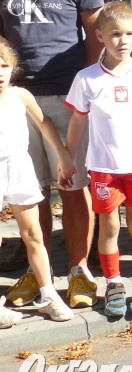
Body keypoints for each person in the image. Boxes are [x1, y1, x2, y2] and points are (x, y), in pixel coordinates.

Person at [0, 0, 103, 309]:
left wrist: (90, 92)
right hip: (18, 99)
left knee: (74, 185)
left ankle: (79, 270)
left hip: (68, 94)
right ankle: (36, 271)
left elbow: (96, 37)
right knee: (30, 191)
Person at [65, 1, 132, 317]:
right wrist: (68, 158)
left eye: (127, 34)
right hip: (103, 169)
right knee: (109, 226)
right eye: (114, 35)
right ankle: (112, 282)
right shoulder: (87, 78)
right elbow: (78, 121)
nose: (121, 41)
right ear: (100, 36)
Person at [0, 38, 75, 326]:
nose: (0, 73)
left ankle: (48, 296)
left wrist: (63, 156)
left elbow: (45, 124)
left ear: (13, 67)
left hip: (18, 166)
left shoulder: (21, 96)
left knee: (33, 234)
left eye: (4, 66)